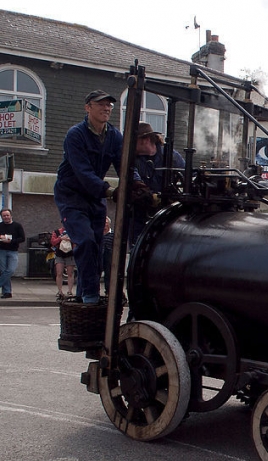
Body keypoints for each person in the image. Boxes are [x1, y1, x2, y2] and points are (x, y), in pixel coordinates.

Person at [54, 90, 143, 305]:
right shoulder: (75, 135)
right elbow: (82, 172)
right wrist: (110, 191)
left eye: (109, 105)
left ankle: (84, 296)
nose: (107, 108)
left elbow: (125, 165)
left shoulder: (113, 136)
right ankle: (91, 297)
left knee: (96, 246)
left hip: (95, 198)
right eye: (101, 104)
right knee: (84, 241)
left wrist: (138, 184)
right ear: (88, 108)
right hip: (72, 196)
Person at [131, 122, 185, 243]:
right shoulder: (133, 160)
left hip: (167, 217)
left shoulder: (171, 156)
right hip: (140, 217)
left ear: (145, 140)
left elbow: (187, 176)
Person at [0, 208, 26, 298]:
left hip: (13, 251)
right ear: (1, 217)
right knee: (3, 271)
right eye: (4, 216)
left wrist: (11, 241)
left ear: (11, 215)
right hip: (1, 251)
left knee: (10, 270)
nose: (6, 217)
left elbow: (22, 238)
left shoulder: (17, 226)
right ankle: (7, 292)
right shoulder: (0, 226)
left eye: (7, 215)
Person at [50, 225, 76, 300]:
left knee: (70, 273)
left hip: (70, 254)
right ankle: (60, 291)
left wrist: (70, 240)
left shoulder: (73, 231)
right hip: (59, 254)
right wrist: (60, 238)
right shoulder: (57, 232)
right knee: (59, 272)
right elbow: (53, 242)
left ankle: (70, 291)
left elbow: (77, 241)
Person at [101, 216, 113, 295]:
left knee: (108, 274)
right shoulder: (99, 234)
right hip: (100, 256)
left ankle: (108, 291)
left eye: (106, 223)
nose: (105, 225)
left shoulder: (113, 234)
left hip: (109, 257)